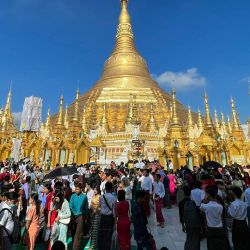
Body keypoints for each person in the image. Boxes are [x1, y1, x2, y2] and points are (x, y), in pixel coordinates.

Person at [200, 185, 228, 250]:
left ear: (208, 195)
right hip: (219, 228)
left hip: (210, 229)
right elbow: (221, 217)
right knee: (219, 246)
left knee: (211, 246)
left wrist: (205, 200)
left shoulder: (205, 206)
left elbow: (201, 207)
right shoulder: (220, 206)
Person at [98, 181, 116, 250]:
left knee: (102, 234)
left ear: (105, 188)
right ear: (111, 188)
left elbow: (100, 207)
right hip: (110, 218)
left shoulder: (101, 197)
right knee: (108, 235)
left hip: (103, 217)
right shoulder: (114, 198)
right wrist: (115, 222)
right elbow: (114, 211)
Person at [69, 183, 88, 250]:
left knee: (78, 234)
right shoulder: (73, 196)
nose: (76, 190)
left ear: (81, 189)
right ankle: (74, 246)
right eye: (75, 189)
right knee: (73, 233)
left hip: (81, 216)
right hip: (73, 217)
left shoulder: (84, 197)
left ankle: (75, 248)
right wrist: (74, 213)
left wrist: (85, 218)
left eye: (77, 189)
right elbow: (70, 206)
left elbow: (86, 208)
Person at [89, 185, 101, 250]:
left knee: (95, 230)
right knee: (92, 230)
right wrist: (91, 207)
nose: (95, 191)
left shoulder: (100, 197)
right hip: (92, 214)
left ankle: (93, 245)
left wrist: (96, 209)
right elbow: (91, 205)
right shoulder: (93, 196)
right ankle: (93, 244)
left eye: (96, 189)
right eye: (94, 189)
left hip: (97, 215)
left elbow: (101, 207)